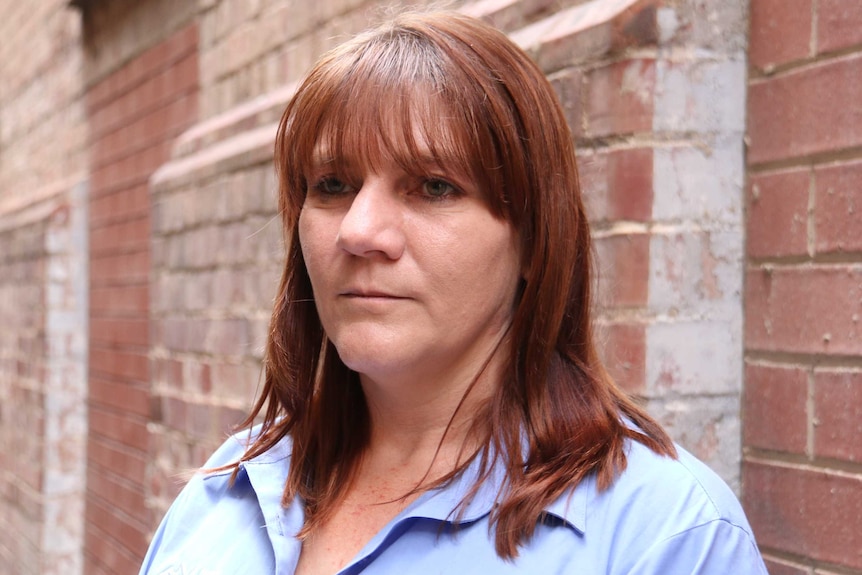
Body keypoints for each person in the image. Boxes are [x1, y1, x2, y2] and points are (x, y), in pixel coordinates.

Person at [140, 10, 768, 575]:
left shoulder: (665, 536)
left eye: (433, 186)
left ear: (532, 239)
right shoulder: (230, 488)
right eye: (332, 184)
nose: (359, 232)